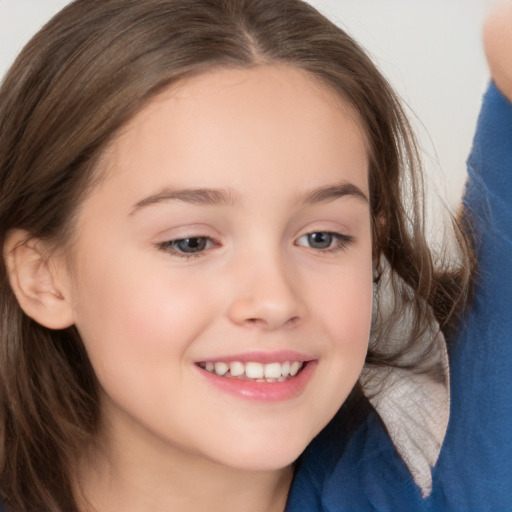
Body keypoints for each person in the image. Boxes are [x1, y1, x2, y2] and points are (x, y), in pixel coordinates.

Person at [0, 1, 509, 511]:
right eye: (191, 243)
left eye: (322, 238)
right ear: (43, 277)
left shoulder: (447, 482)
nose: (273, 301)